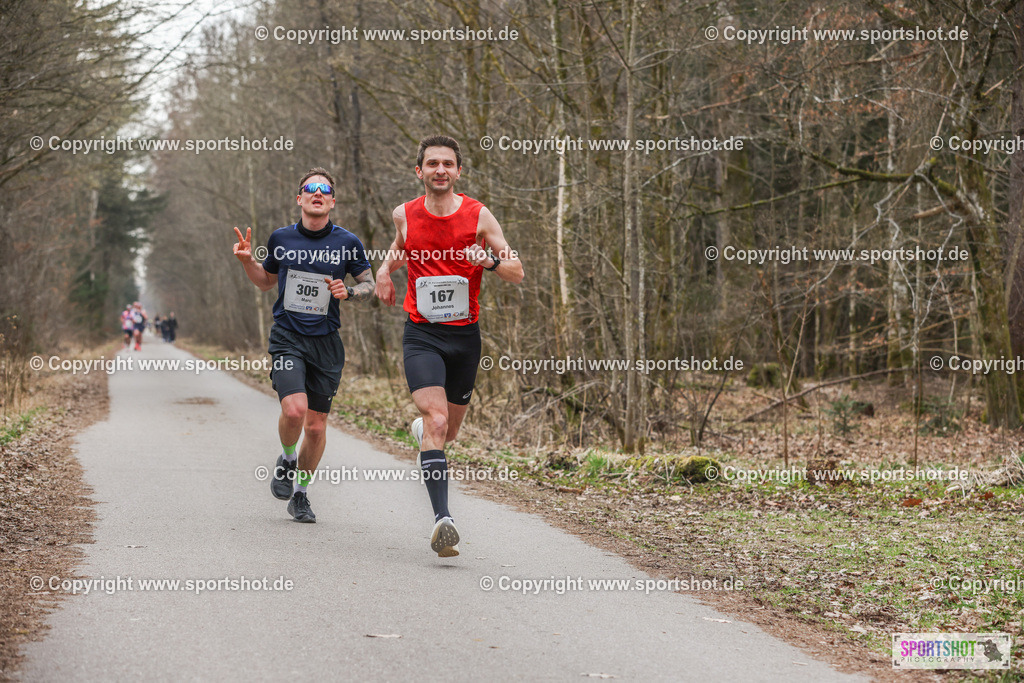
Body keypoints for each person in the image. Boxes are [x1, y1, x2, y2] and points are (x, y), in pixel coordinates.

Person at [375, 135, 524, 557]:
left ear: (458, 171)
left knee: (448, 429)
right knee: (438, 420)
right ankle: (443, 519)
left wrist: (490, 262)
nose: (440, 169)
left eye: (448, 163)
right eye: (432, 163)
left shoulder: (479, 216)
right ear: (418, 171)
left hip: (465, 337)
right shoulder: (403, 214)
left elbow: (517, 271)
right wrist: (385, 269)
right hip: (422, 333)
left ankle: (425, 434)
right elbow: (399, 249)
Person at [232, 167, 373, 523]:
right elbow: (266, 283)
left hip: (326, 343)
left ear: (332, 201)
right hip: (288, 337)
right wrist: (248, 262)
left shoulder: (348, 242)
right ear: (300, 198)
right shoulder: (281, 238)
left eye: (325, 189)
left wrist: (351, 291)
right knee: (294, 411)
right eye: (310, 188)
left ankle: (301, 494)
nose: (317, 193)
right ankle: (287, 457)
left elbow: (369, 284)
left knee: (316, 426)